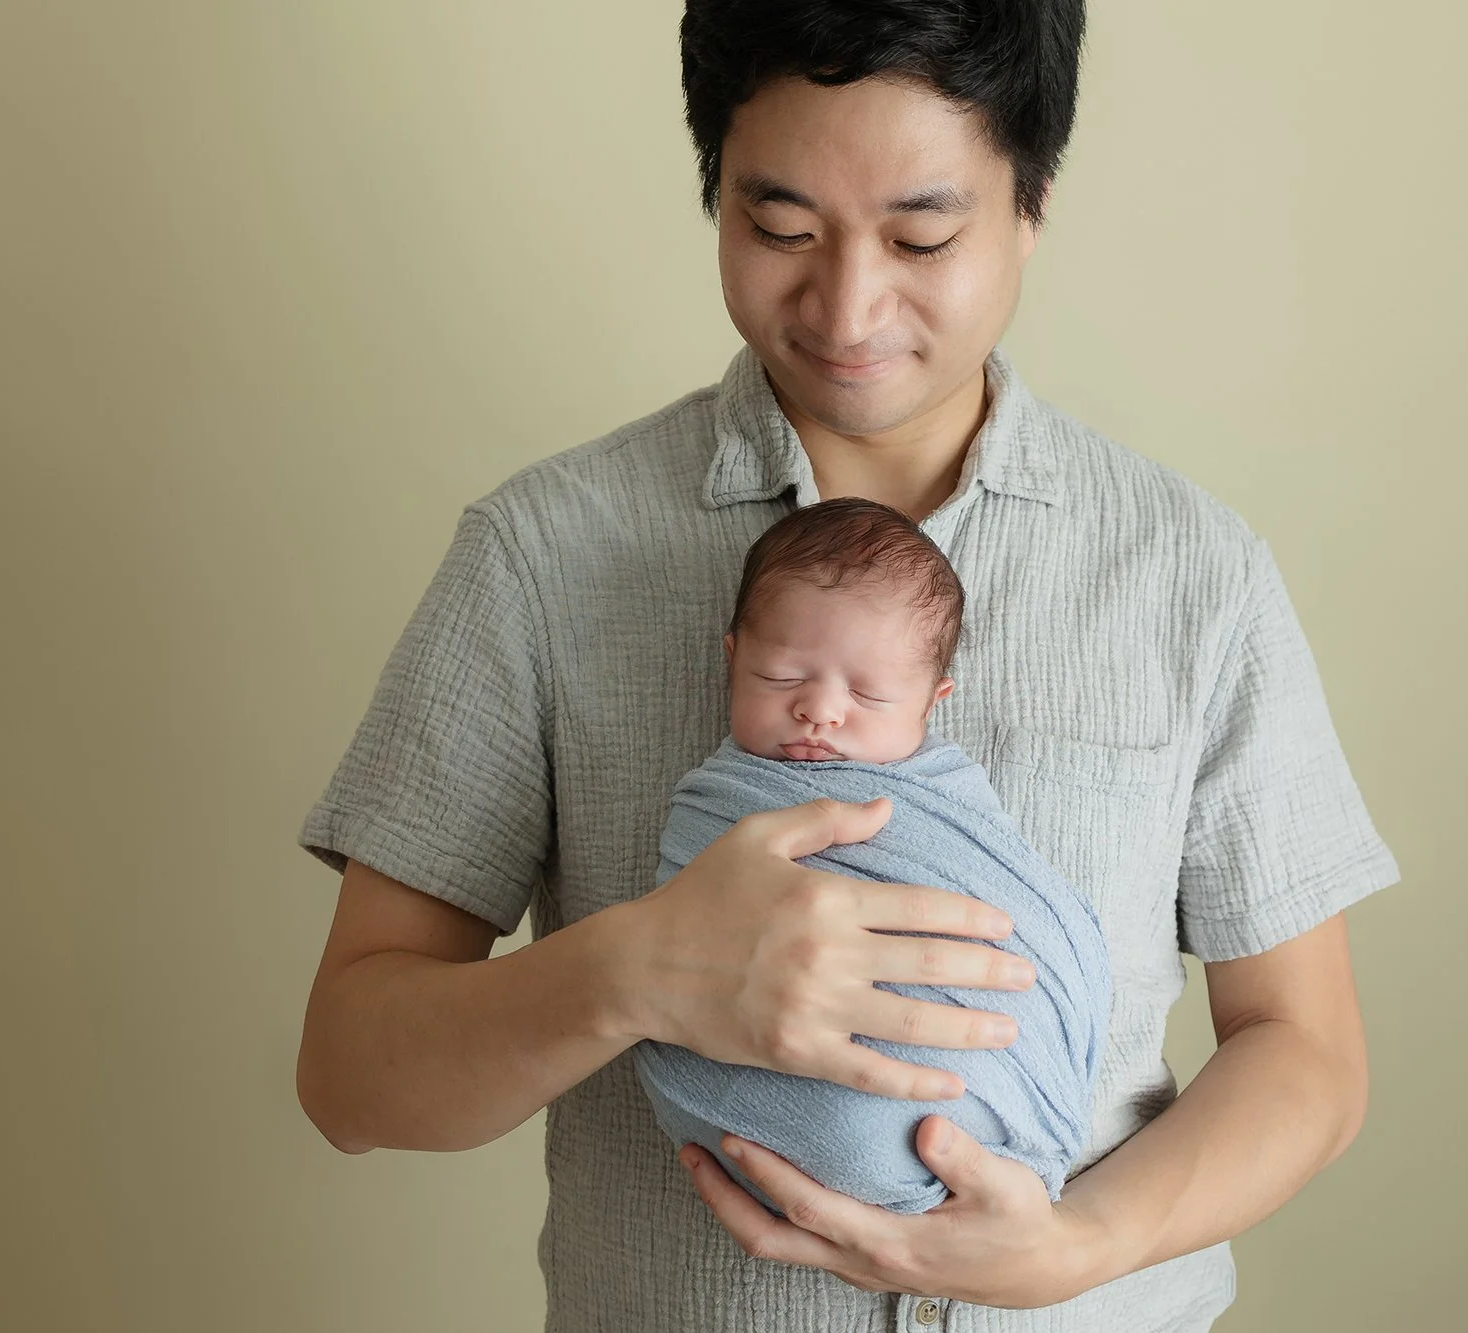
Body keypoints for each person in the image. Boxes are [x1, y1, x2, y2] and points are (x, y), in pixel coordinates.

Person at [293, 2, 1401, 1329]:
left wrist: (1081, 1240)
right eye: (780, 229)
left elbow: (1308, 1052)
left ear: (1029, 205)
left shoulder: (1191, 572)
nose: (848, 304)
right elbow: (349, 1075)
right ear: (715, 192)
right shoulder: (542, 556)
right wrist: (632, 973)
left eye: (922, 234)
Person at [632, 496, 1113, 1219]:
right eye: (782, 676)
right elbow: (672, 933)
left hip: (977, 1106)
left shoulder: (948, 793)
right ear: (733, 657)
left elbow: (1028, 917)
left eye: (868, 692)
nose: (820, 709)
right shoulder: (720, 799)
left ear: (931, 701)